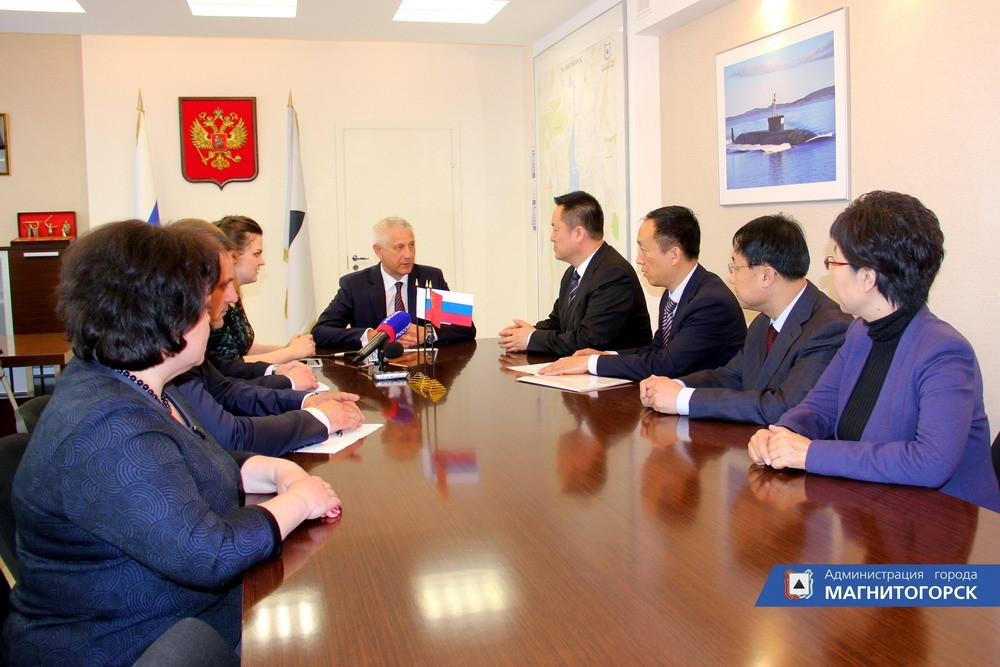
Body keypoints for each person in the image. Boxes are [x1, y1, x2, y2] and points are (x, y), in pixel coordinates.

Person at [2, 220, 341, 663]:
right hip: (126, 646)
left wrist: (277, 469)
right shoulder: (108, 425)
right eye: (207, 297)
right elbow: (208, 554)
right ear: (166, 312)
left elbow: (197, 458)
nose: (221, 303)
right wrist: (300, 501)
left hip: (183, 622)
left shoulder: (141, 383)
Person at [748, 191, 1000, 512]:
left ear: (867, 277)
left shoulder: (945, 353)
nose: (829, 272)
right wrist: (781, 434)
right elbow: (820, 407)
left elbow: (930, 462)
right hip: (875, 510)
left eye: (834, 261)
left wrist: (810, 454)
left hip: (945, 522)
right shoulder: (860, 333)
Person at [167, 220, 365, 456]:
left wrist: (305, 402)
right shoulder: (172, 359)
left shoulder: (179, 351)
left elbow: (226, 391)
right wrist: (320, 419)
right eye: (222, 285)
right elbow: (231, 435)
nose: (233, 297)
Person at [639, 214, 851, 424]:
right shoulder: (762, 322)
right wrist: (676, 386)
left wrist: (683, 400)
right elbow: (732, 376)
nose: (731, 278)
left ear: (767, 276)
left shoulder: (828, 328)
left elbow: (786, 407)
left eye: (735, 268)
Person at [540, 205, 745, 381]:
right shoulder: (674, 293)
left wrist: (592, 363)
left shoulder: (710, 302)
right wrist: (606, 355)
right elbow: (657, 349)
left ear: (674, 254)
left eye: (644, 250)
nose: (638, 260)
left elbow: (665, 364)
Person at [498, 191, 651, 356]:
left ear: (578, 233)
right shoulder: (573, 273)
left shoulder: (613, 275)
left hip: (616, 371)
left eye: (556, 230)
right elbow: (558, 324)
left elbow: (588, 341)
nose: (552, 237)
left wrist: (531, 338)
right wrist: (525, 332)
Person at [312, 216, 476, 349]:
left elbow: (467, 328)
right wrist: (370, 336)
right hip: (375, 370)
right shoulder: (355, 285)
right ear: (379, 251)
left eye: (411, 245)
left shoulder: (430, 278)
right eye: (399, 247)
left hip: (422, 371)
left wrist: (427, 333)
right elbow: (320, 332)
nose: (408, 255)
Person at [209, 215, 316, 371]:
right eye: (256, 253)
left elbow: (245, 349)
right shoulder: (215, 301)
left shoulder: (235, 296)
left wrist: (286, 348)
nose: (262, 261)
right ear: (233, 257)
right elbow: (227, 364)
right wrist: (290, 352)